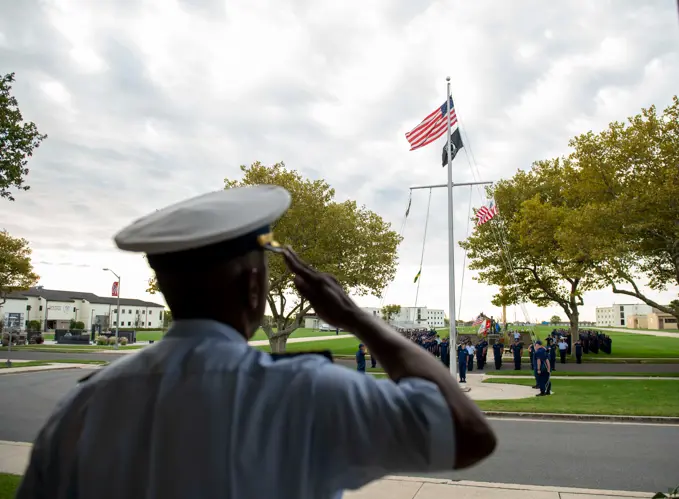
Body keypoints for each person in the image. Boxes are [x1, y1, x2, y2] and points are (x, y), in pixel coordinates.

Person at [17, 186, 496, 499]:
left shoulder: (81, 409)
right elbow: (465, 434)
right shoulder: (303, 392)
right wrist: (356, 318)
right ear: (253, 286)